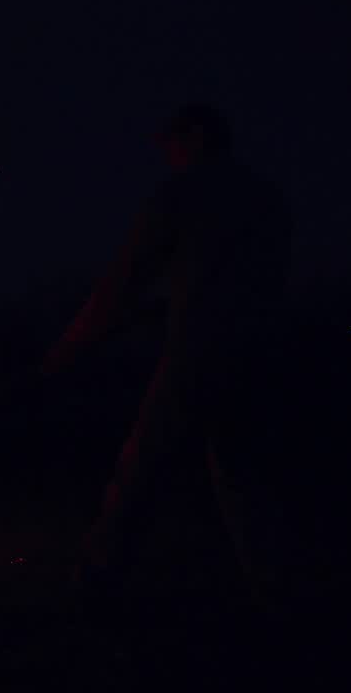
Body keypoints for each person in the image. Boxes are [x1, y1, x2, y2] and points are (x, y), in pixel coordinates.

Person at [42, 104, 293, 615]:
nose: (168, 155)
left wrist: (67, 350)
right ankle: (277, 596)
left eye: (171, 144)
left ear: (195, 137)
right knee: (244, 476)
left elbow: (124, 280)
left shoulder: (186, 192)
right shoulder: (266, 197)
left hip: (199, 355)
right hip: (261, 353)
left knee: (142, 468)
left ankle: (91, 590)